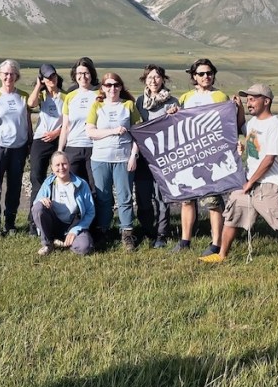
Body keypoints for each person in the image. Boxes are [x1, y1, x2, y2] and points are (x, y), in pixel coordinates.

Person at [200, 84, 278, 281]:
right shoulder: (253, 122)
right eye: (248, 99)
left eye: (253, 99)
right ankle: (221, 255)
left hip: (268, 185)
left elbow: (269, 159)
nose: (249, 101)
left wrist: (250, 182)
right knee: (232, 217)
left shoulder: (274, 125)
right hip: (247, 181)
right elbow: (243, 129)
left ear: (266, 101)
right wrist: (239, 109)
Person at [168, 58, 243, 255]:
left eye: (209, 73)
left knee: (213, 200)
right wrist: (174, 112)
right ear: (194, 76)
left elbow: (230, 124)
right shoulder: (185, 98)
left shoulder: (220, 96)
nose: (206, 76)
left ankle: (216, 243)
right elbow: (178, 125)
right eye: (201, 73)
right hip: (190, 154)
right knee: (187, 198)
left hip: (211, 154)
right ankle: (185, 240)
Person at [86, 72, 142, 250]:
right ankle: (103, 230)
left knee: (125, 197)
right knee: (103, 197)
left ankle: (127, 232)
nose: (112, 88)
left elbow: (139, 133)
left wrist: (134, 155)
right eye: (108, 85)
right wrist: (113, 131)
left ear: (121, 87)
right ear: (102, 88)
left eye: (116, 85)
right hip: (100, 158)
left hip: (124, 158)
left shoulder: (128, 105)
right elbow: (91, 132)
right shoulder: (97, 106)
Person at [0, 59, 31, 237]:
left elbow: (27, 122)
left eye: (12, 74)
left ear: (17, 76)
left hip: (19, 147)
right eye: (5, 74)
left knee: (15, 186)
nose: (8, 77)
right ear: (0, 76)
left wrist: (30, 143)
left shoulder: (24, 96)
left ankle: (10, 224)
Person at [134, 64, 181, 248]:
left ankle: (162, 234)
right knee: (143, 196)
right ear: (145, 80)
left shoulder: (173, 102)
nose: (153, 80)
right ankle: (147, 230)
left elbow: (180, 129)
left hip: (164, 156)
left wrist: (175, 115)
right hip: (144, 157)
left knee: (162, 197)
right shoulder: (139, 102)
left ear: (163, 79)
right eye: (150, 77)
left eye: (157, 77)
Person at [26, 63, 67, 236]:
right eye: (48, 77)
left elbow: (68, 120)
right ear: (42, 79)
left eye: (54, 76)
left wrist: (57, 132)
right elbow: (30, 103)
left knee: (60, 178)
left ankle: (59, 219)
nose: (52, 79)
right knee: (36, 178)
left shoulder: (66, 97)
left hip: (59, 139)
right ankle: (33, 222)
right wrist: (38, 85)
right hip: (40, 140)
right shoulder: (41, 95)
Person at [31, 151, 96, 256]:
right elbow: (35, 206)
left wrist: (75, 230)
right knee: (38, 207)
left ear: (69, 164)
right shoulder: (48, 183)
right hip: (54, 223)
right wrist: (41, 200)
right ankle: (48, 243)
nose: (61, 168)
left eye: (64, 164)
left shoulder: (81, 184)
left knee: (85, 247)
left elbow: (90, 211)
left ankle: (65, 242)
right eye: (57, 165)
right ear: (52, 167)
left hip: (74, 224)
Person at [58, 57, 99, 187]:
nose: (83, 77)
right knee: (73, 186)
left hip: (95, 147)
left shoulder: (100, 95)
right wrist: (60, 150)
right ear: (75, 75)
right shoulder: (70, 96)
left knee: (95, 187)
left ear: (91, 74)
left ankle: (95, 208)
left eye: (86, 73)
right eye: (79, 73)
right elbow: (65, 126)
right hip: (73, 147)